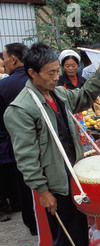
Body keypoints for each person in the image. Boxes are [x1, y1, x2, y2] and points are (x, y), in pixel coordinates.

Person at [4, 43, 100, 246]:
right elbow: (26, 158)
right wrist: (42, 190)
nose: (57, 77)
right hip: (54, 180)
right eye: (51, 73)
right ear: (32, 72)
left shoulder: (58, 94)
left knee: (79, 224)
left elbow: (84, 98)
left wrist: (99, 72)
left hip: (73, 174)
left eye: (57, 71)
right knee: (66, 234)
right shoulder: (21, 109)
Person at [0, 43, 35, 229]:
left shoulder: (4, 85)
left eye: (4, 58)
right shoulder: (38, 79)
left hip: (17, 143)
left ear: (13, 58)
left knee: (25, 182)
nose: (4, 62)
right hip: (44, 141)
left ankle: (32, 223)